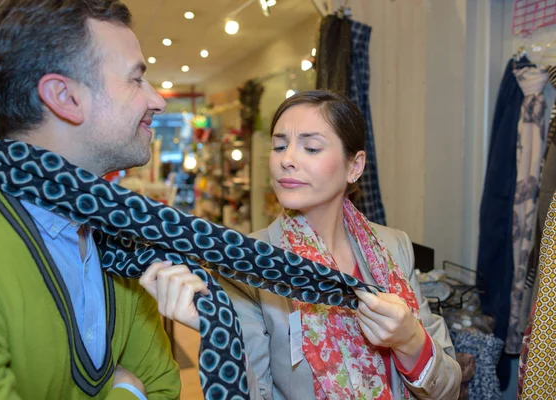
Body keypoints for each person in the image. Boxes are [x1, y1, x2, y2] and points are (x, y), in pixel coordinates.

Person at [141, 90, 462, 399]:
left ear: (355, 166)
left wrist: (410, 340)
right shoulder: (250, 262)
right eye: (279, 147)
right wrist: (219, 333)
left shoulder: (394, 247)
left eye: (311, 148)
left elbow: (448, 388)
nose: (287, 160)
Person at [0, 1, 180, 398]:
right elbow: (145, 387)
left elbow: (163, 385)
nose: (157, 100)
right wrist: (127, 392)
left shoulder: (119, 232)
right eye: (135, 79)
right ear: (65, 97)